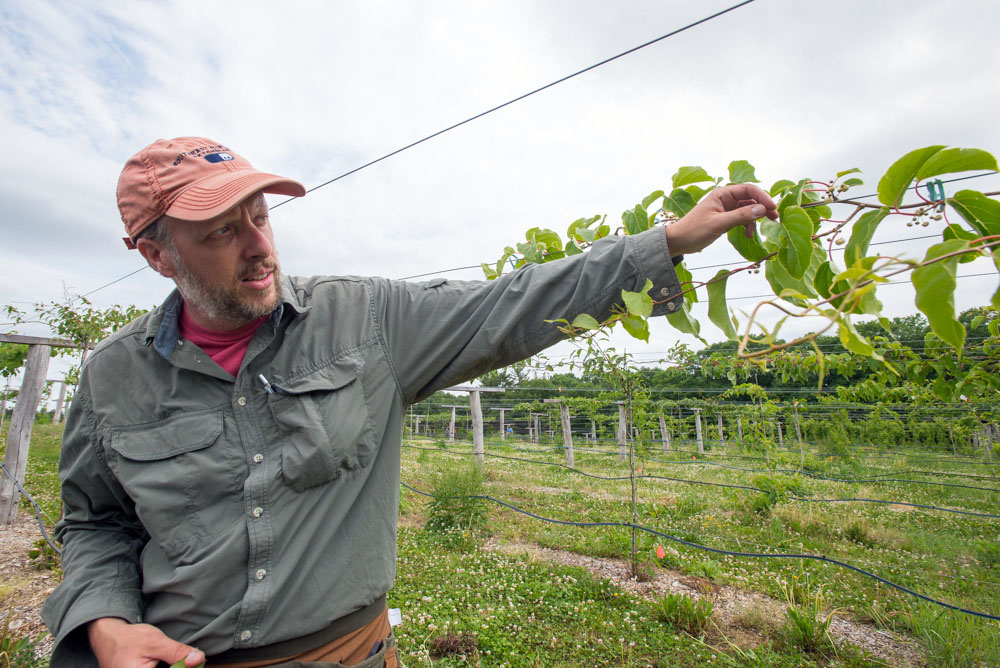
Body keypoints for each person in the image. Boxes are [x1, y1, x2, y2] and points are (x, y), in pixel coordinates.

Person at [41, 136, 778, 667]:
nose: (258, 246)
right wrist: (105, 623)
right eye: (221, 233)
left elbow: (510, 305)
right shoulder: (114, 377)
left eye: (261, 218)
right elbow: (97, 521)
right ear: (156, 254)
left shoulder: (363, 322)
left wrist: (669, 244)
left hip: (350, 655)